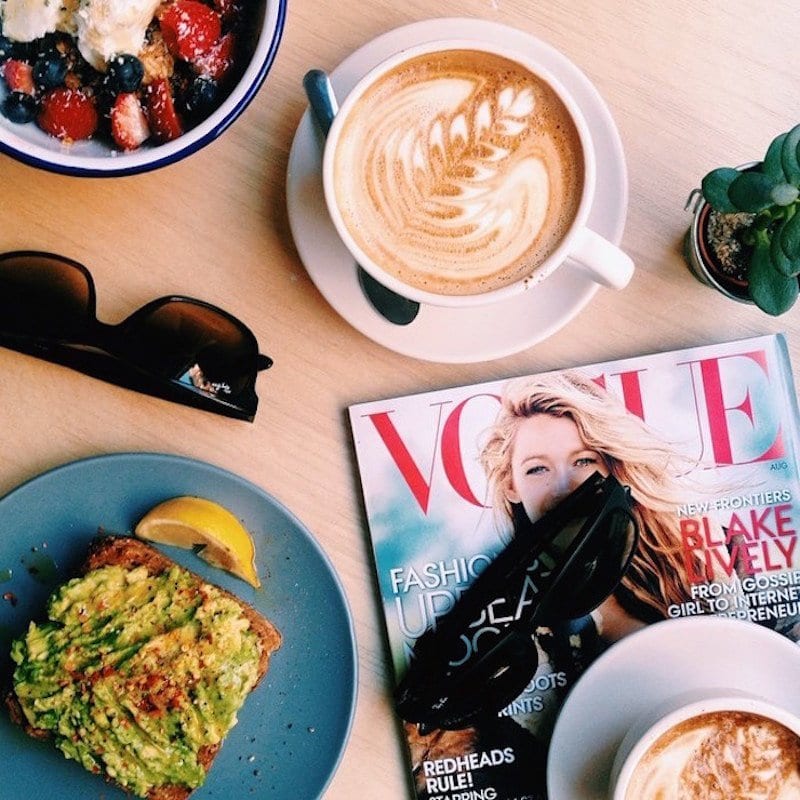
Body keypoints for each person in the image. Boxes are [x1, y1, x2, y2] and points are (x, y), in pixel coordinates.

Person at [478, 369, 716, 642]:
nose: (563, 488)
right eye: (537, 469)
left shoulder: (695, 558)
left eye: (583, 461)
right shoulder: (503, 623)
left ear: (611, 469)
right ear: (511, 486)